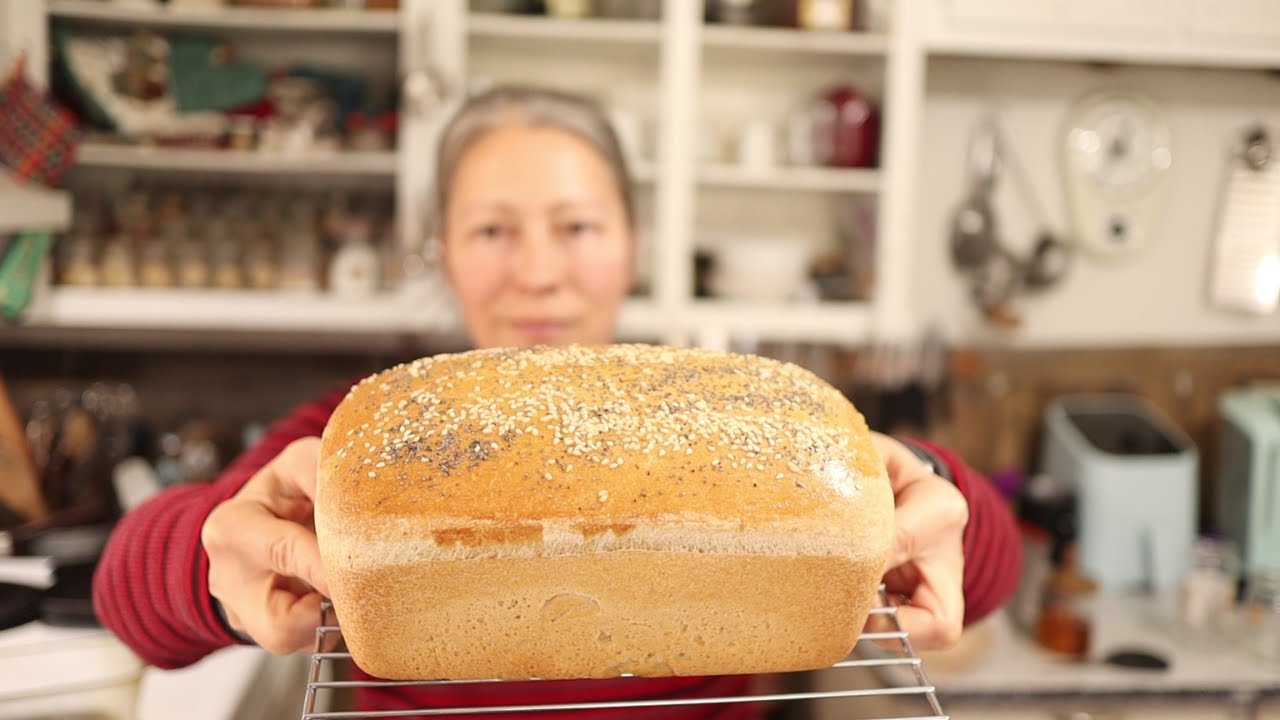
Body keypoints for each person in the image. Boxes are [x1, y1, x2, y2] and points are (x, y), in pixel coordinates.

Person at [92, 85, 1020, 718]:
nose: (538, 273)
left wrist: (926, 485)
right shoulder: (359, 446)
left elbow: (989, 575)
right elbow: (125, 599)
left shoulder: (756, 433)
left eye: (577, 226)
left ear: (631, 243)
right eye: (492, 231)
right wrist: (211, 560)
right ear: (443, 251)